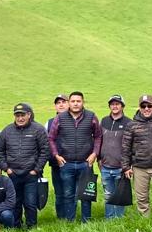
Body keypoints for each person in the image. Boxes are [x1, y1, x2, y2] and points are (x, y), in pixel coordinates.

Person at [48, 91, 102, 222]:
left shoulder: (91, 116)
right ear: (69, 103)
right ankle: (70, 221)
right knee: (68, 194)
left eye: (78, 101)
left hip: (86, 163)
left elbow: (98, 136)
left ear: (83, 102)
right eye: (73, 101)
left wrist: (95, 153)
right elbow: (51, 138)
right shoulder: (60, 118)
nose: (76, 104)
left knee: (86, 194)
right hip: (67, 163)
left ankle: (86, 221)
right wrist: (56, 155)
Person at [0, 103, 49, 228]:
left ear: (29, 115)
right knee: (15, 202)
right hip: (13, 174)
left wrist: (36, 170)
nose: (20, 118)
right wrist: (6, 169)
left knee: (30, 203)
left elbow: (45, 151)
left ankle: (31, 226)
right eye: (17, 115)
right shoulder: (7, 131)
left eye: (22, 115)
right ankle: (16, 225)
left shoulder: (38, 129)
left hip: (31, 175)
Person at [98, 95, 131, 219]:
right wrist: (99, 159)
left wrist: (128, 165)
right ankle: (109, 218)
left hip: (121, 167)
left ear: (122, 106)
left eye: (117, 104)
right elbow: (99, 140)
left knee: (120, 194)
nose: (115, 106)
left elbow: (132, 145)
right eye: (112, 104)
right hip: (105, 166)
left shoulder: (129, 123)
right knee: (108, 194)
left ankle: (119, 219)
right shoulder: (104, 121)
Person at [46, 95, 70, 222]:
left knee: (71, 192)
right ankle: (61, 218)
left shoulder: (75, 120)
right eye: (58, 103)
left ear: (68, 104)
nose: (61, 104)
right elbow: (46, 143)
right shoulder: (49, 122)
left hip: (72, 163)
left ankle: (71, 216)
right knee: (59, 192)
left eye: (63, 102)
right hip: (56, 164)